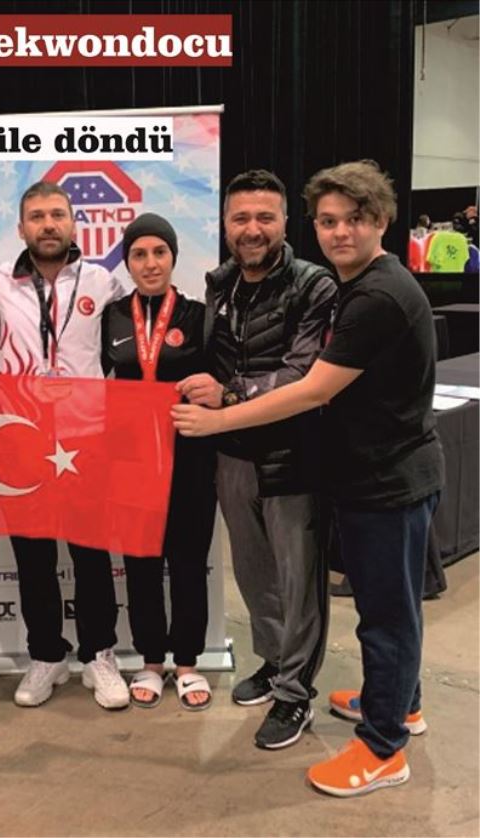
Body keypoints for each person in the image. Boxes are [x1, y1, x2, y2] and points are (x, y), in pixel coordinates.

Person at [173, 160, 444, 797]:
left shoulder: (371, 296)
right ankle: (399, 703)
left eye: (355, 219)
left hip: (386, 481)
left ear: (383, 220)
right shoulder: (355, 285)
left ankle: (383, 748)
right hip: (364, 473)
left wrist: (219, 415)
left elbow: (312, 388)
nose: (340, 232)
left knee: (386, 616)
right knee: (380, 606)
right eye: (329, 220)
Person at [178, 170, 336, 748]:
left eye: (265, 217)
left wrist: (228, 395)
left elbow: (302, 374)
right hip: (232, 454)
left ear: (285, 223)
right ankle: (273, 661)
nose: (252, 229)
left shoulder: (314, 286)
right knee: (254, 573)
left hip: (295, 455)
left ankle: (296, 694)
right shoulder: (219, 284)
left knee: (299, 581)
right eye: (241, 218)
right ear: (225, 225)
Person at [0, 181, 129, 710]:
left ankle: (99, 654)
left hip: (85, 439)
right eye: (38, 216)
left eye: (57, 215)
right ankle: (46, 654)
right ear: (21, 228)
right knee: (33, 557)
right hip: (21, 440)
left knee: (91, 554)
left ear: (73, 223)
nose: (48, 225)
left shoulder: (104, 282)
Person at [101, 213, 216, 710]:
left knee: (188, 560)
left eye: (159, 252)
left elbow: (218, 381)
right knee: (141, 563)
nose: (150, 263)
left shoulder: (199, 316)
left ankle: (187, 661)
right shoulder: (111, 317)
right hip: (131, 459)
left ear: (173, 257)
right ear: (127, 262)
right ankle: (150, 659)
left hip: (189, 455)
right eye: (139, 254)